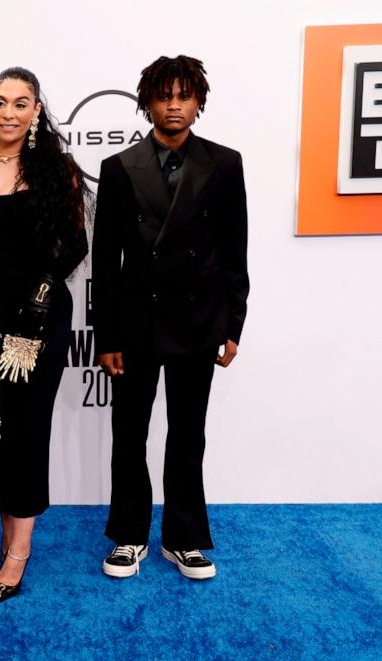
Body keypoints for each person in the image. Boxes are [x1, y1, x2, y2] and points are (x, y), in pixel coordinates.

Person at [92, 55, 249, 580]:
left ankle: (184, 538)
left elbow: (235, 251)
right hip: (135, 323)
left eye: (184, 95)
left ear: (199, 101)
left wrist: (234, 324)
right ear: (148, 103)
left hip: (199, 320)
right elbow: (105, 259)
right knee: (129, 433)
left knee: (188, 434)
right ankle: (129, 536)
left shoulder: (225, 164)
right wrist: (106, 333)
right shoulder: (119, 169)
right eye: (164, 96)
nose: (174, 105)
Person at [0, 67, 88, 604]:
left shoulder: (56, 170)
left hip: (38, 319)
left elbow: (72, 246)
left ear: (36, 112)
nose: (8, 112)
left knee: (27, 425)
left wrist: (36, 309)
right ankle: (10, 534)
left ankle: (19, 551)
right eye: (0, 101)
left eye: (20, 103)